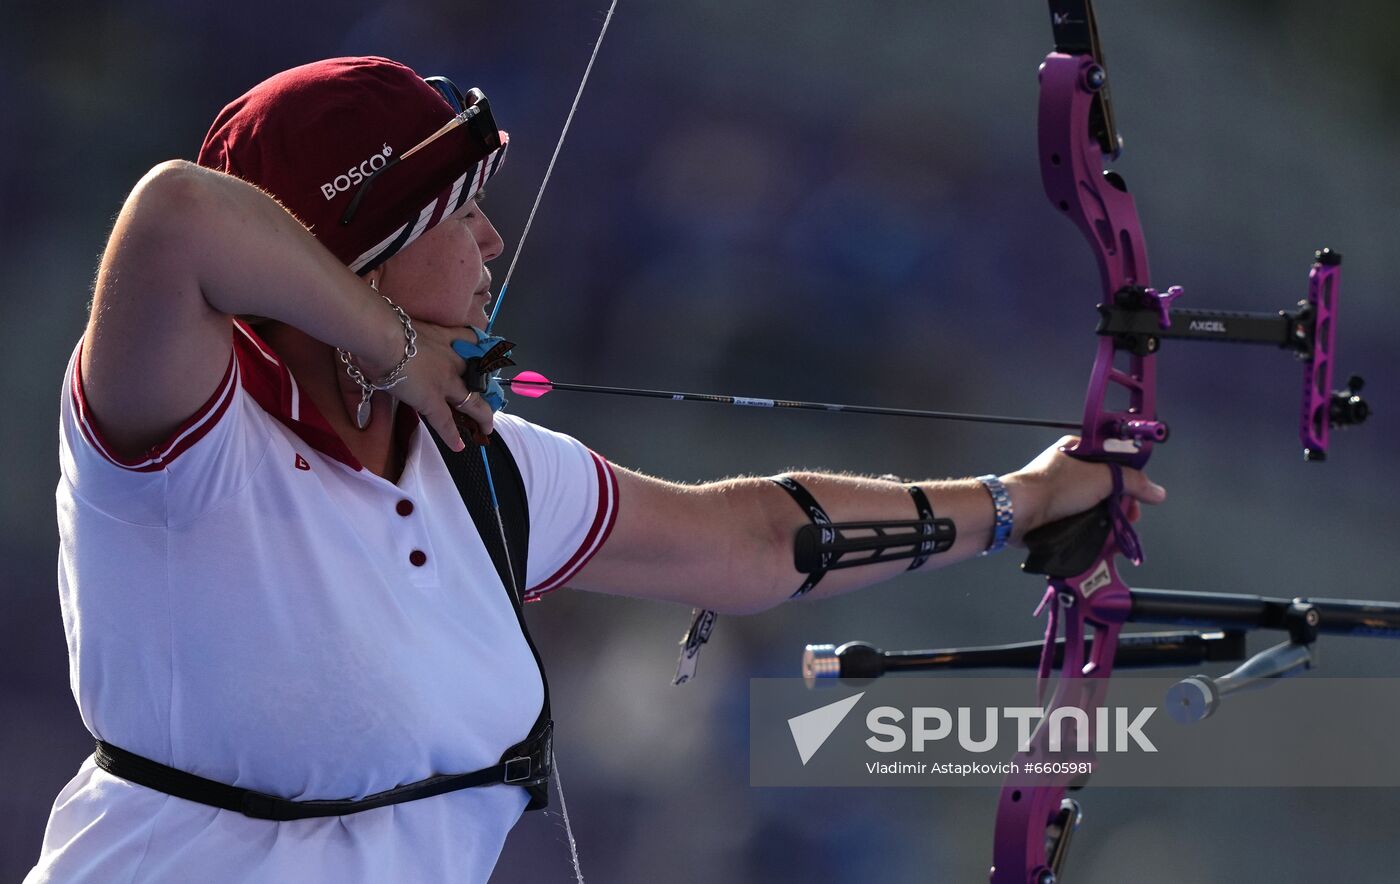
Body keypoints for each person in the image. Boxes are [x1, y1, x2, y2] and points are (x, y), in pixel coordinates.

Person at [26, 56, 1164, 883]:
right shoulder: (186, 445)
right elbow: (176, 213)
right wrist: (392, 347)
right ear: (357, 246)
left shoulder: (479, 468)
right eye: (457, 212)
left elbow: (752, 540)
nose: (491, 243)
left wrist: (1028, 496)